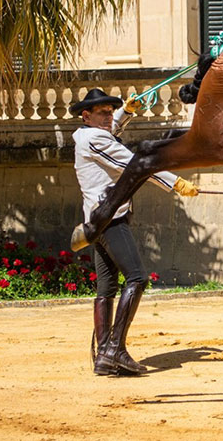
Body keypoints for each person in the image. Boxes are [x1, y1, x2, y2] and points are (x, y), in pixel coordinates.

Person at [70, 88, 199, 376]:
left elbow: (109, 132)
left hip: (97, 220)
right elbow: (134, 166)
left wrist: (125, 112)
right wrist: (175, 183)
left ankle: (105, 355)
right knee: (137, 278)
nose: (108, 117)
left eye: (109, 111)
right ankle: (115, 349)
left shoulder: (88, 135)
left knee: (106, 289)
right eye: (102, 112)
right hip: (111, 219)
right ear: (86, 116)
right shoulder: (95, 139)